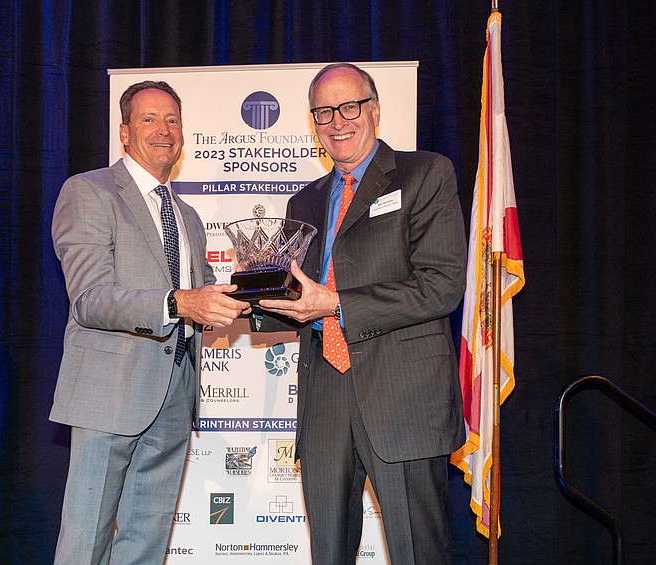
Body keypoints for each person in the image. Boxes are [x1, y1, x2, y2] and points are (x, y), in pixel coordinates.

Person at [255, 63, 467, 564]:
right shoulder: (304, 200)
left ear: (373, 109)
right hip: (325, 394)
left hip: (403, 396)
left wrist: (335, 304)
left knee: (420, 554)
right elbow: (298, 300)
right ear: (313, 123)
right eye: (324, 112)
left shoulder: (425, 173)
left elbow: (441, 286)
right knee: (329, 553)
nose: (337, 121)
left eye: (349, 106)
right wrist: (250, 301)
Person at [50, 80, 249, 565]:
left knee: (147, 540)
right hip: (109, 392)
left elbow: (204, 301)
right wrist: (183, 303)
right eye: (149, 119)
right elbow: (91, 300)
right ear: (124, 132)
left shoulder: (188, 216)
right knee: (85, 541)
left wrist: (261, 296)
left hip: (177, 390)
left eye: (173, 120)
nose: (164, 130)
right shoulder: (89, 191)